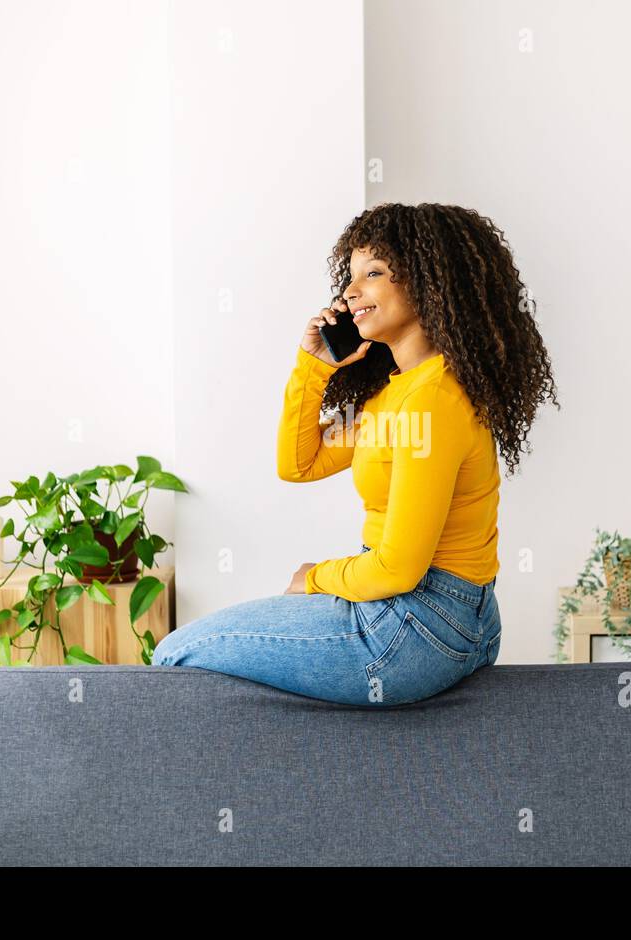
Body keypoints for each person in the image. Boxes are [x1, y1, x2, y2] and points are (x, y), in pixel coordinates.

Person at [151, 202, 558, 706]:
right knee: (189, 655)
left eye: (374, 273)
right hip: (442, 620)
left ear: (428, 284)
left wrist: (313, 578)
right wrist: (315, 365)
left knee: (174, 653)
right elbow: (299, 463)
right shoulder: (399, 395)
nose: (349, 291)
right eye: (350, 277)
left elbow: (396, 570)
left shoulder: (430, 401)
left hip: (411, 629)